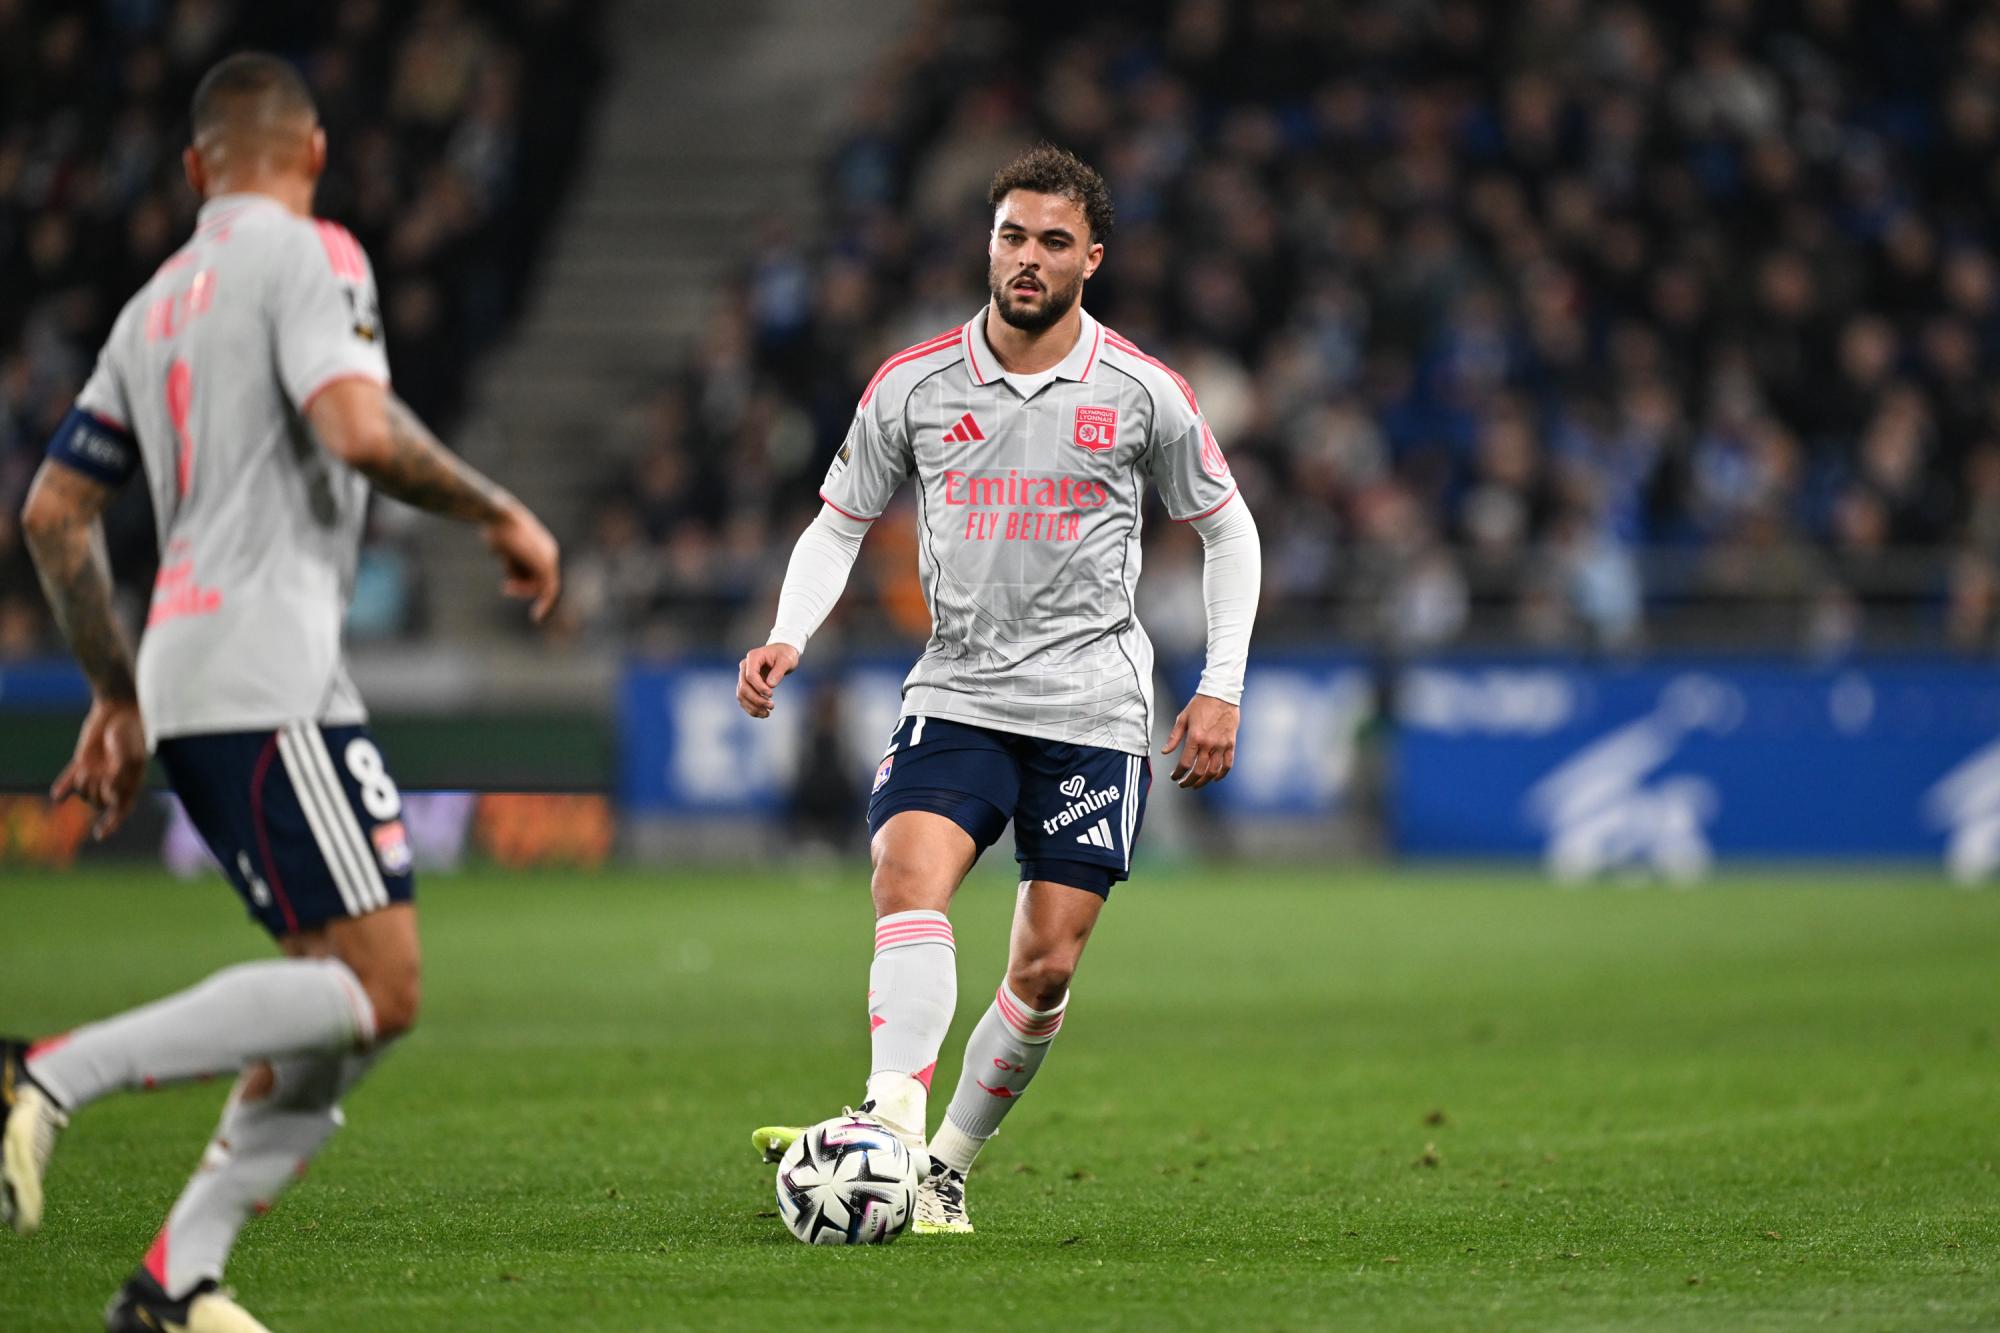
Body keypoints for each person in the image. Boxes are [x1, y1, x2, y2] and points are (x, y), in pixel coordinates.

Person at [3, 52, 559, 1331]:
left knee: (335, 1007)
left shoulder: (149, 306)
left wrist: (118, 688)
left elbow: (53, 512)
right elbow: (360, 429)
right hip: (270, 671)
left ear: (196, 170)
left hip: (192, 671)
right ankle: (42, 1073)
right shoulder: (317, 256)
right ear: (309, 153)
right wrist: (499, 510)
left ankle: (173, 1283)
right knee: (381, 987)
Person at [738, 144, 1259, 1234]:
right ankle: (884, 1121)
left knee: (1046, 961)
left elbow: (1226, 528)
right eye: (1011, 236)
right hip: (961, 690)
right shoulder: (914, 384)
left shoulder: (1141, 392)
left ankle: (941, 1166)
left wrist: (1219, 685)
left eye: (1053, 242)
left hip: (1093, 712)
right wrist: (788, 632)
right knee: (904, 870)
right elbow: (837, 522)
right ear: (988, 243)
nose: (1027, 258)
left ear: (1091, 260)